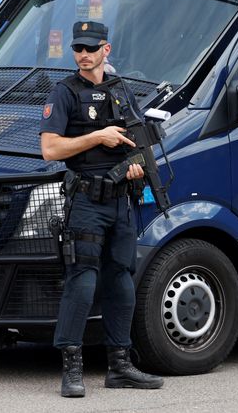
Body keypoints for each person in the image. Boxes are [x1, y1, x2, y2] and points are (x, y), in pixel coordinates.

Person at [40, 20, 164, 397]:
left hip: (121, 200)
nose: (83, 54)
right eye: (78, 47)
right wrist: (97, 136)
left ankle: (120, 365)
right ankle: (71, 369)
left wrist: (138, 165)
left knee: (121, 280)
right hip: (87, 202)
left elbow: (138, 140)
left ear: (106, 50)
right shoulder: (65, 92)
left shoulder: (121, 90)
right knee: (83, 281)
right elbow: (50, 150)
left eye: (91, 48)